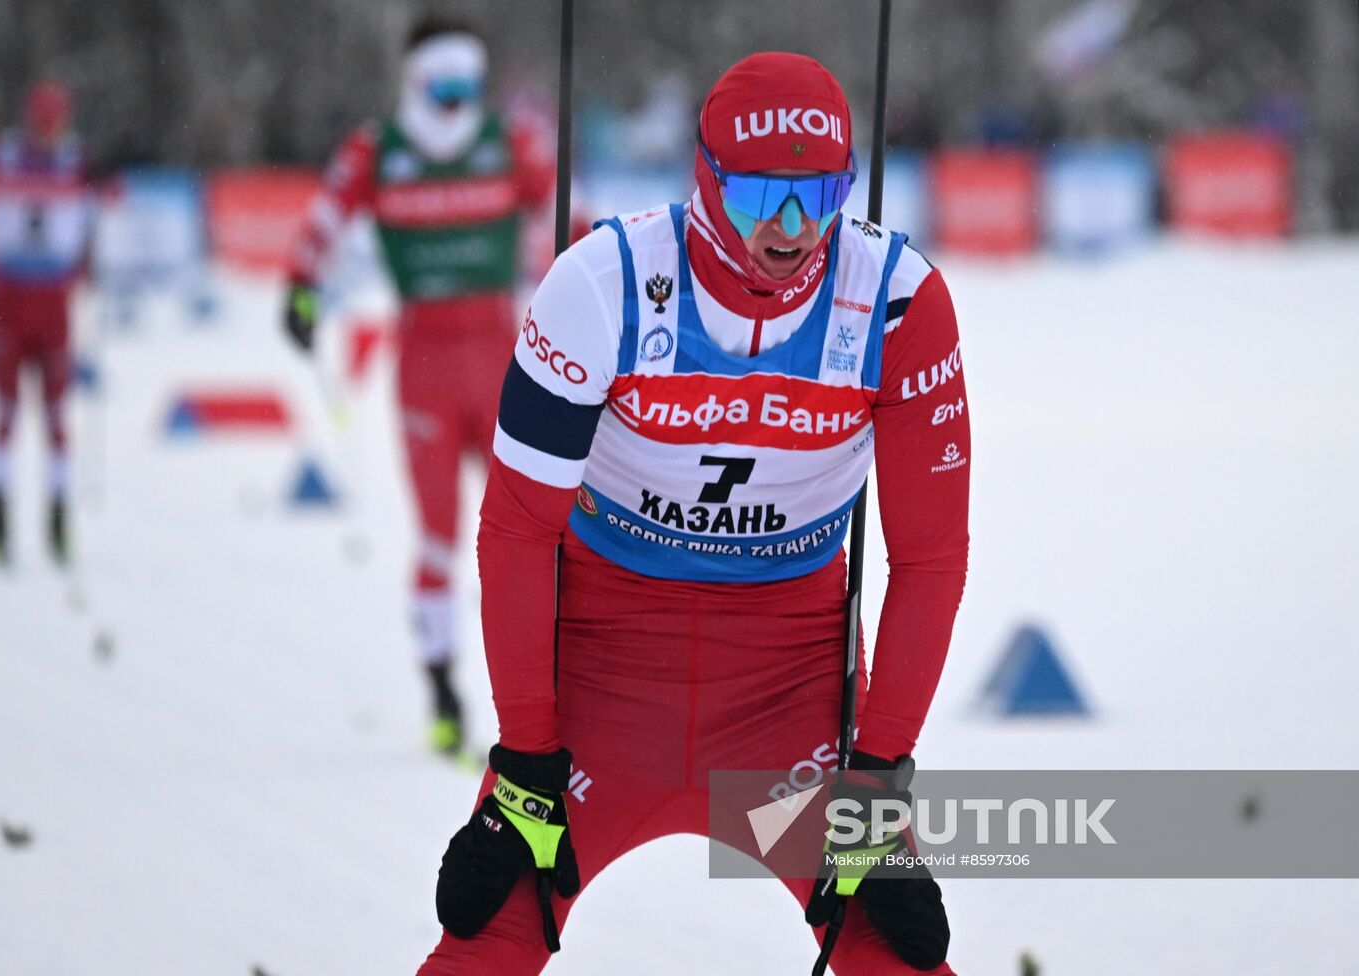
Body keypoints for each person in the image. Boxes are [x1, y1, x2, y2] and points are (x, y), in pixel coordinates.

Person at [423, 52, 970, 974]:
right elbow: (517, 531)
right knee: (487, 940)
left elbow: (930, 558)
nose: (792, 230)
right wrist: (524, 759)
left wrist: (876, 779)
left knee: (892, 952)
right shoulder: (601, 285)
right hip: (599, 675)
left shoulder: (897, 302)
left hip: (789, 690)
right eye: (760, 198)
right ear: (705, 183)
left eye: (820, 196)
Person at [284, 17, 560, 756]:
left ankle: (551, 697)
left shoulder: (513, 142)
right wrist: (301, 288)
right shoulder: (379, 149)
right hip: (426, 367)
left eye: (467, 87)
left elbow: (567, 219)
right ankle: (442, 691)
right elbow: (323, 219)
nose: (455, 104)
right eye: (442, 88)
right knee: (438, 537)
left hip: (506, 360)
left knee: (535, 531)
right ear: (414, 83)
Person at [0, 80, 94, 566]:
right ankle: (1, 517)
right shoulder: (15, 156)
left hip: (48, 304)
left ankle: (57, 521)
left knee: (54, 418)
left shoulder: (66, 159)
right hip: (13, 300)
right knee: (7, 414)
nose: (50, 131)